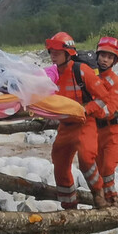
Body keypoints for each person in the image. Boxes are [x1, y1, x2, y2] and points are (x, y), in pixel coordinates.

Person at [46, 31, 112, 210]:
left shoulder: (81, 71)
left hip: (85, 123)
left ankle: (98, 195)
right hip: (65, 126)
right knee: (59, 162)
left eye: (57, 52)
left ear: (68, 54)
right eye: (51, 52)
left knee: (86, 159)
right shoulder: (51, 76)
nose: (53, 56)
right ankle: (69, 204)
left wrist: (86, 109)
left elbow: (103, 97)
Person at [93, 37, 118, 205]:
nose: (104, 60)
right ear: (97, 55)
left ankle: (112, 201)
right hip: (96, 132)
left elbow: (110, 108)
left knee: (107, 167)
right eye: (102, 55)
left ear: (114, 60)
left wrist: (89, 111)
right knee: (97, 169)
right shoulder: (91, 77)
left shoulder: (115, 82)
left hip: (113, 131)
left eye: (109, 57)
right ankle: (103, 201)